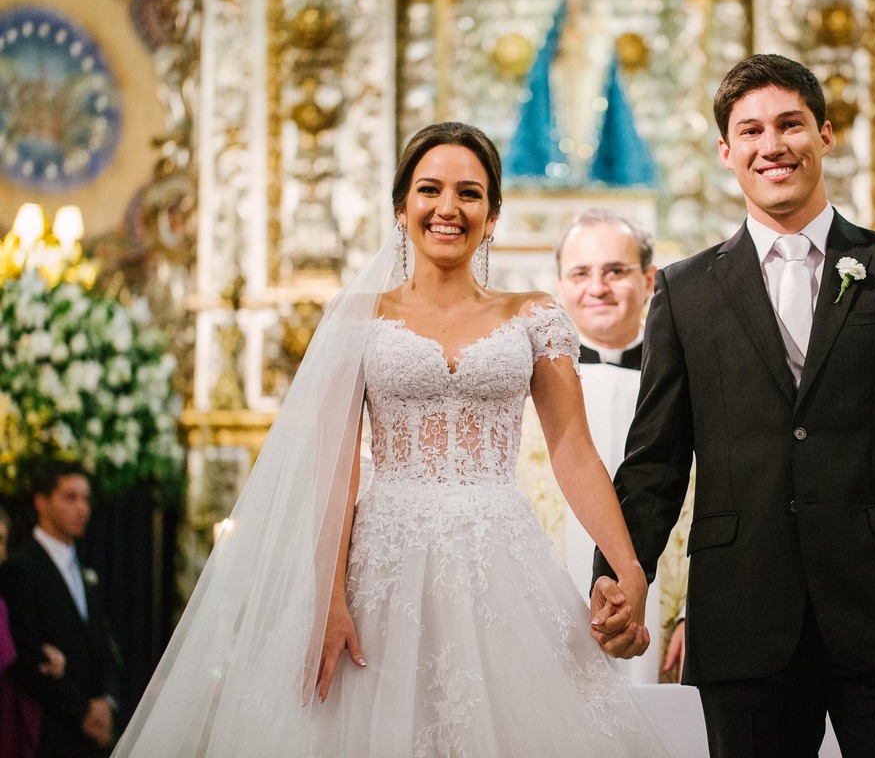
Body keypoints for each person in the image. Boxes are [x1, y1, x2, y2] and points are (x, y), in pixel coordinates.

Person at [110, 122, 678, 757]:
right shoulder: (360, 318)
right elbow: (337, 466)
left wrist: (628, 566)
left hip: (501, 552)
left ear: (491, 215)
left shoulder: (535, 315)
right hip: (384, 559)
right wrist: (327, 600)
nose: (448, 208)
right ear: (402, 207)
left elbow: (573, 447)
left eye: (469, 193)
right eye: (430, 190)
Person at [591, 53, 875, 758]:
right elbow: (653, 460)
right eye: (750, 132)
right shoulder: (684, 293)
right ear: (726, 151)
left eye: (790, 125)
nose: (771, 146)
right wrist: (619, 575)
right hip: (742, 617)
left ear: (825, 135)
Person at [552, 209, 676, 684]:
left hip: (668, 606)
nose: (597, 287)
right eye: (580, 274)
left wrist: (692, 611)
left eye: (615, 271)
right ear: (560, 286)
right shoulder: (526, 383)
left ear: (648, 280)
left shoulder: (686, 372)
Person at [0, 465, 115, 758]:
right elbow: (25, 655)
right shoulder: (20, 568)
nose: (82, 508)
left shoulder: (86, 570)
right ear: (41, 502)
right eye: (70, 497)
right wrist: (82, 713)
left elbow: (100, 645)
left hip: (93, 734)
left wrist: (106, 702)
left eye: (86, 499)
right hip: (50, 733)